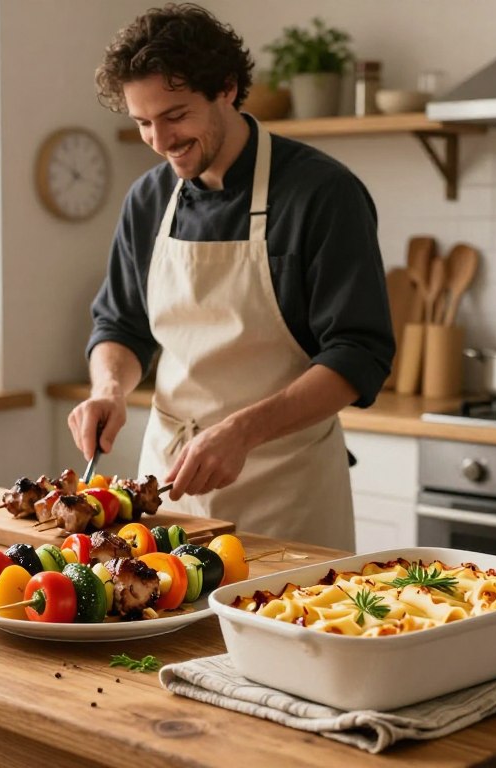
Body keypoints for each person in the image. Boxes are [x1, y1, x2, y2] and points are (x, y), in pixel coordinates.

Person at [67, 3, 394, 550]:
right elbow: (120, 325)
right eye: (143, 122)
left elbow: (358, 354)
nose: (160, 140)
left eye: (175, 115)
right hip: (169, 491)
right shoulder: (149, 199)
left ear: (226, 87)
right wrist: (110, 389)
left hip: (284, 493)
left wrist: (242, 431)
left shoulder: (322, 193)